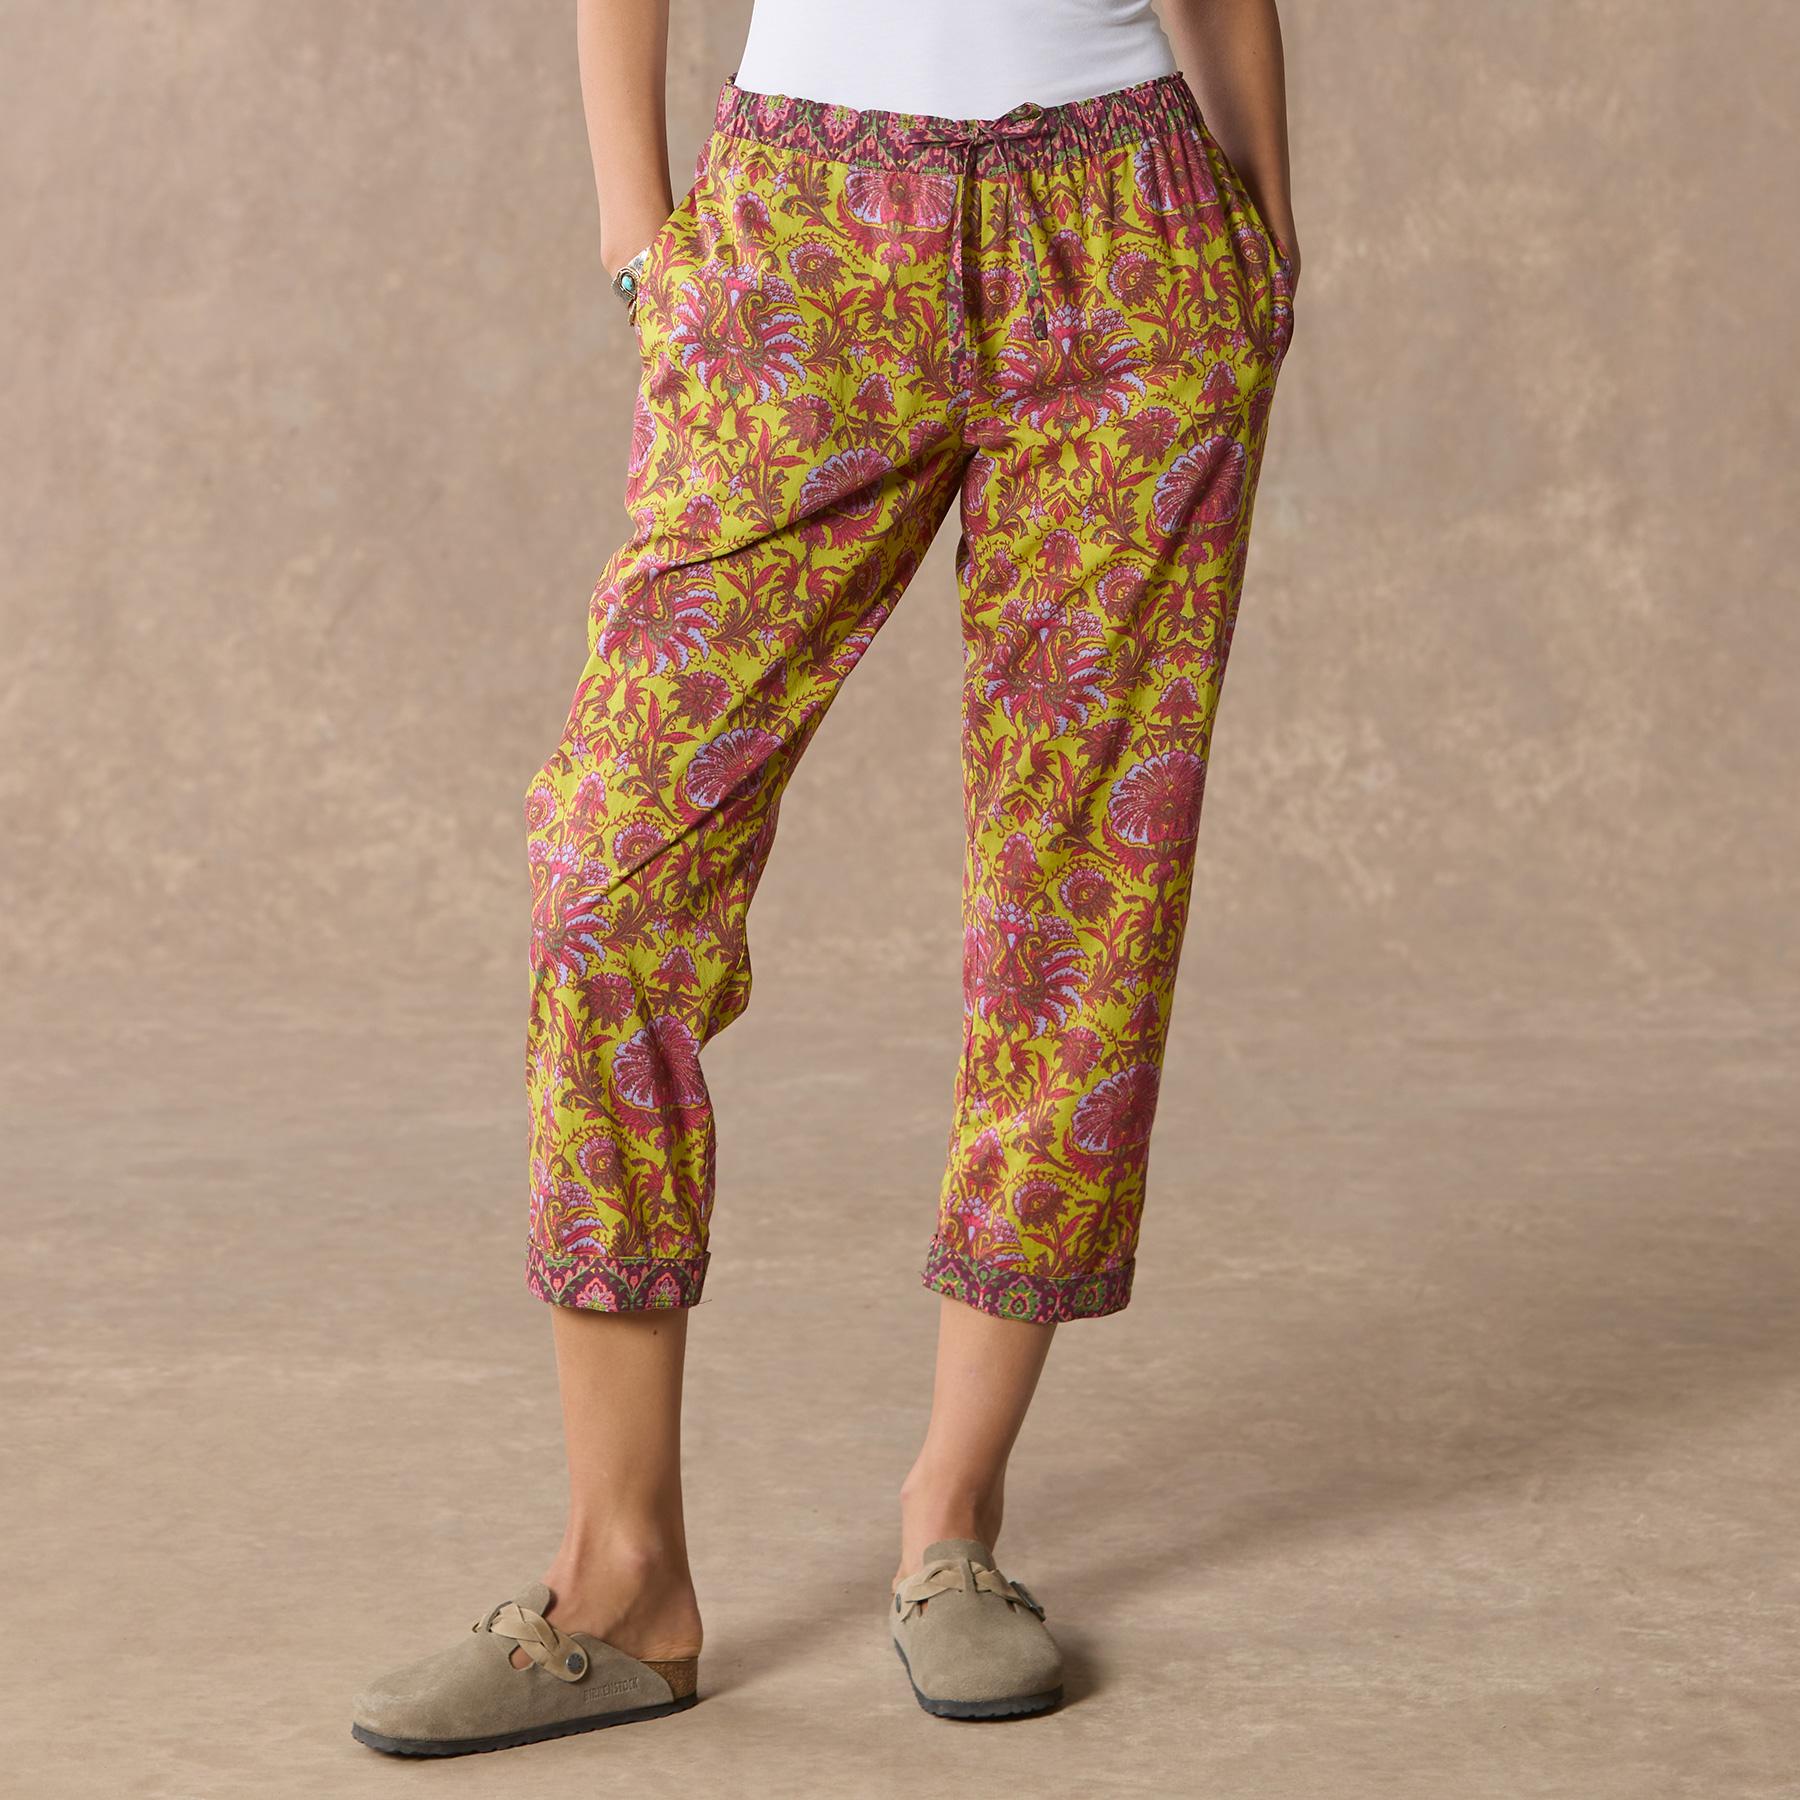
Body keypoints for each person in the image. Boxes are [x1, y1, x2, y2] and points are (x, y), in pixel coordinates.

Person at [351, 0, 1299, 1756]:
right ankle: (621, 1579)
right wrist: (639, 233)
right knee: (610, 872)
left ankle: (955, 1520)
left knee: (1080, 891)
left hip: (1135, 235)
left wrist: (1263, 236)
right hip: (804, 225)